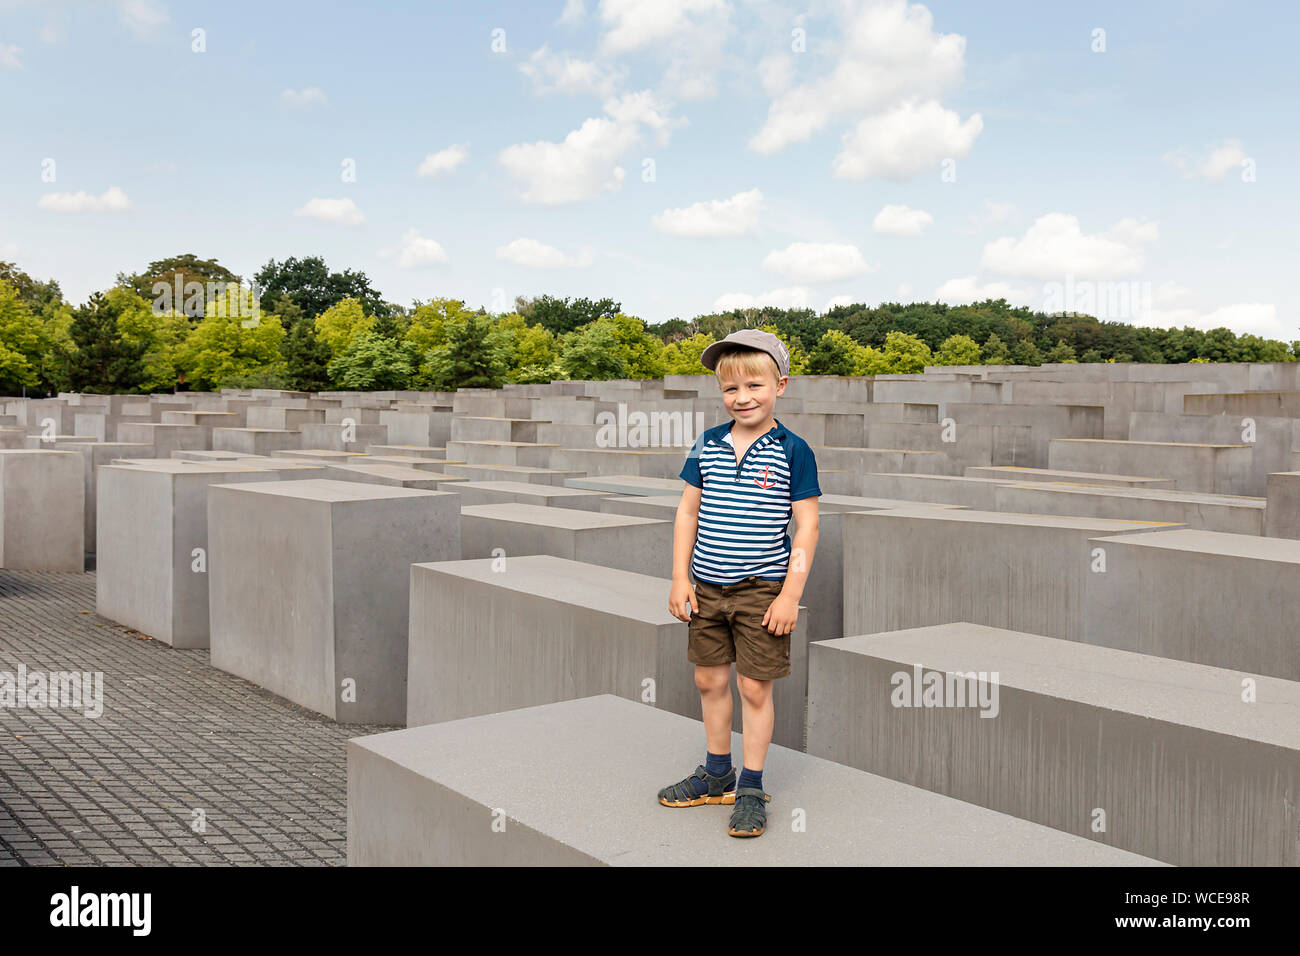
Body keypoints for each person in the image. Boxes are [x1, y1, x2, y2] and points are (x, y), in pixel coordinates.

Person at [659, 329, 821, 838]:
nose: (742, 397)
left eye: (755, 385)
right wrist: (679, 578)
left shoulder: (794, 451)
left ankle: (749, 786)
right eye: (730, 389)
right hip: (706, 585)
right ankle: (715, 772)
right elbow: (688, 512)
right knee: (709, 679)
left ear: (781, 385)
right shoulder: (707, 443)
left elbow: (808, 526)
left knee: (754, 686)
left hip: (761, 590)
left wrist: (791, 593)